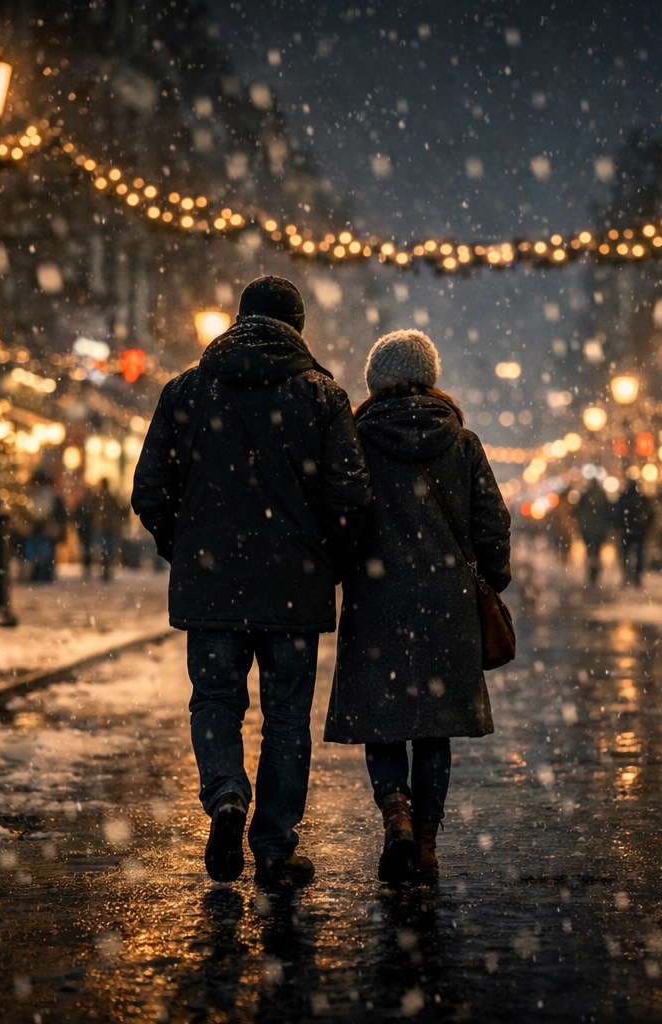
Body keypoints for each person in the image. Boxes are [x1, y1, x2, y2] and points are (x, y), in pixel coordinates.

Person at [132, 276, 370, 889]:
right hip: (294, 588)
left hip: (210, 586)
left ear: (238, 320)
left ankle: (227, 797)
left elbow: (149, 490)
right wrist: (329, 563)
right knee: (286, 719)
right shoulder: (323, 397)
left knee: (215, 701)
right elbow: (350, 497)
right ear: (297, 326)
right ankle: (272, 848)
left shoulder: (185, 390)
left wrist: (184, 549)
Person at [325, 330, 513, 885]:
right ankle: (427, 843)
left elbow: (342, 518)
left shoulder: (354, 439)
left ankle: (397, 818)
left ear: (374, 380)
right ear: (431, 377)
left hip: (377, 602)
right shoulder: (462, 442)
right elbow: (492, 525)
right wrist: (488, 577)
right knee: (434, 728)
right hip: (447, 605)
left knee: (383, 722)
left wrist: (348, 570)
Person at [615, 477, 654, 586]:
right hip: (639, 531)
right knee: (639, 554)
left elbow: (617, 514)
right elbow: (650, 514)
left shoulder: (625, 498)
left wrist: (619, 527)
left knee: (626, 554)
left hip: (628, 531)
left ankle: (627, 576)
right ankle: (636, 577)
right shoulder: (641, 498)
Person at [574, 486, 612, 585]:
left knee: (590, 551)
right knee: (596, 552)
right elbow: (608, 513)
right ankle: (594, 571)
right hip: (598, 530)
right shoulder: (601, 496)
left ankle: (592, 571)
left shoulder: (586, 496)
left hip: (589, 530)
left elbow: (577, 511)